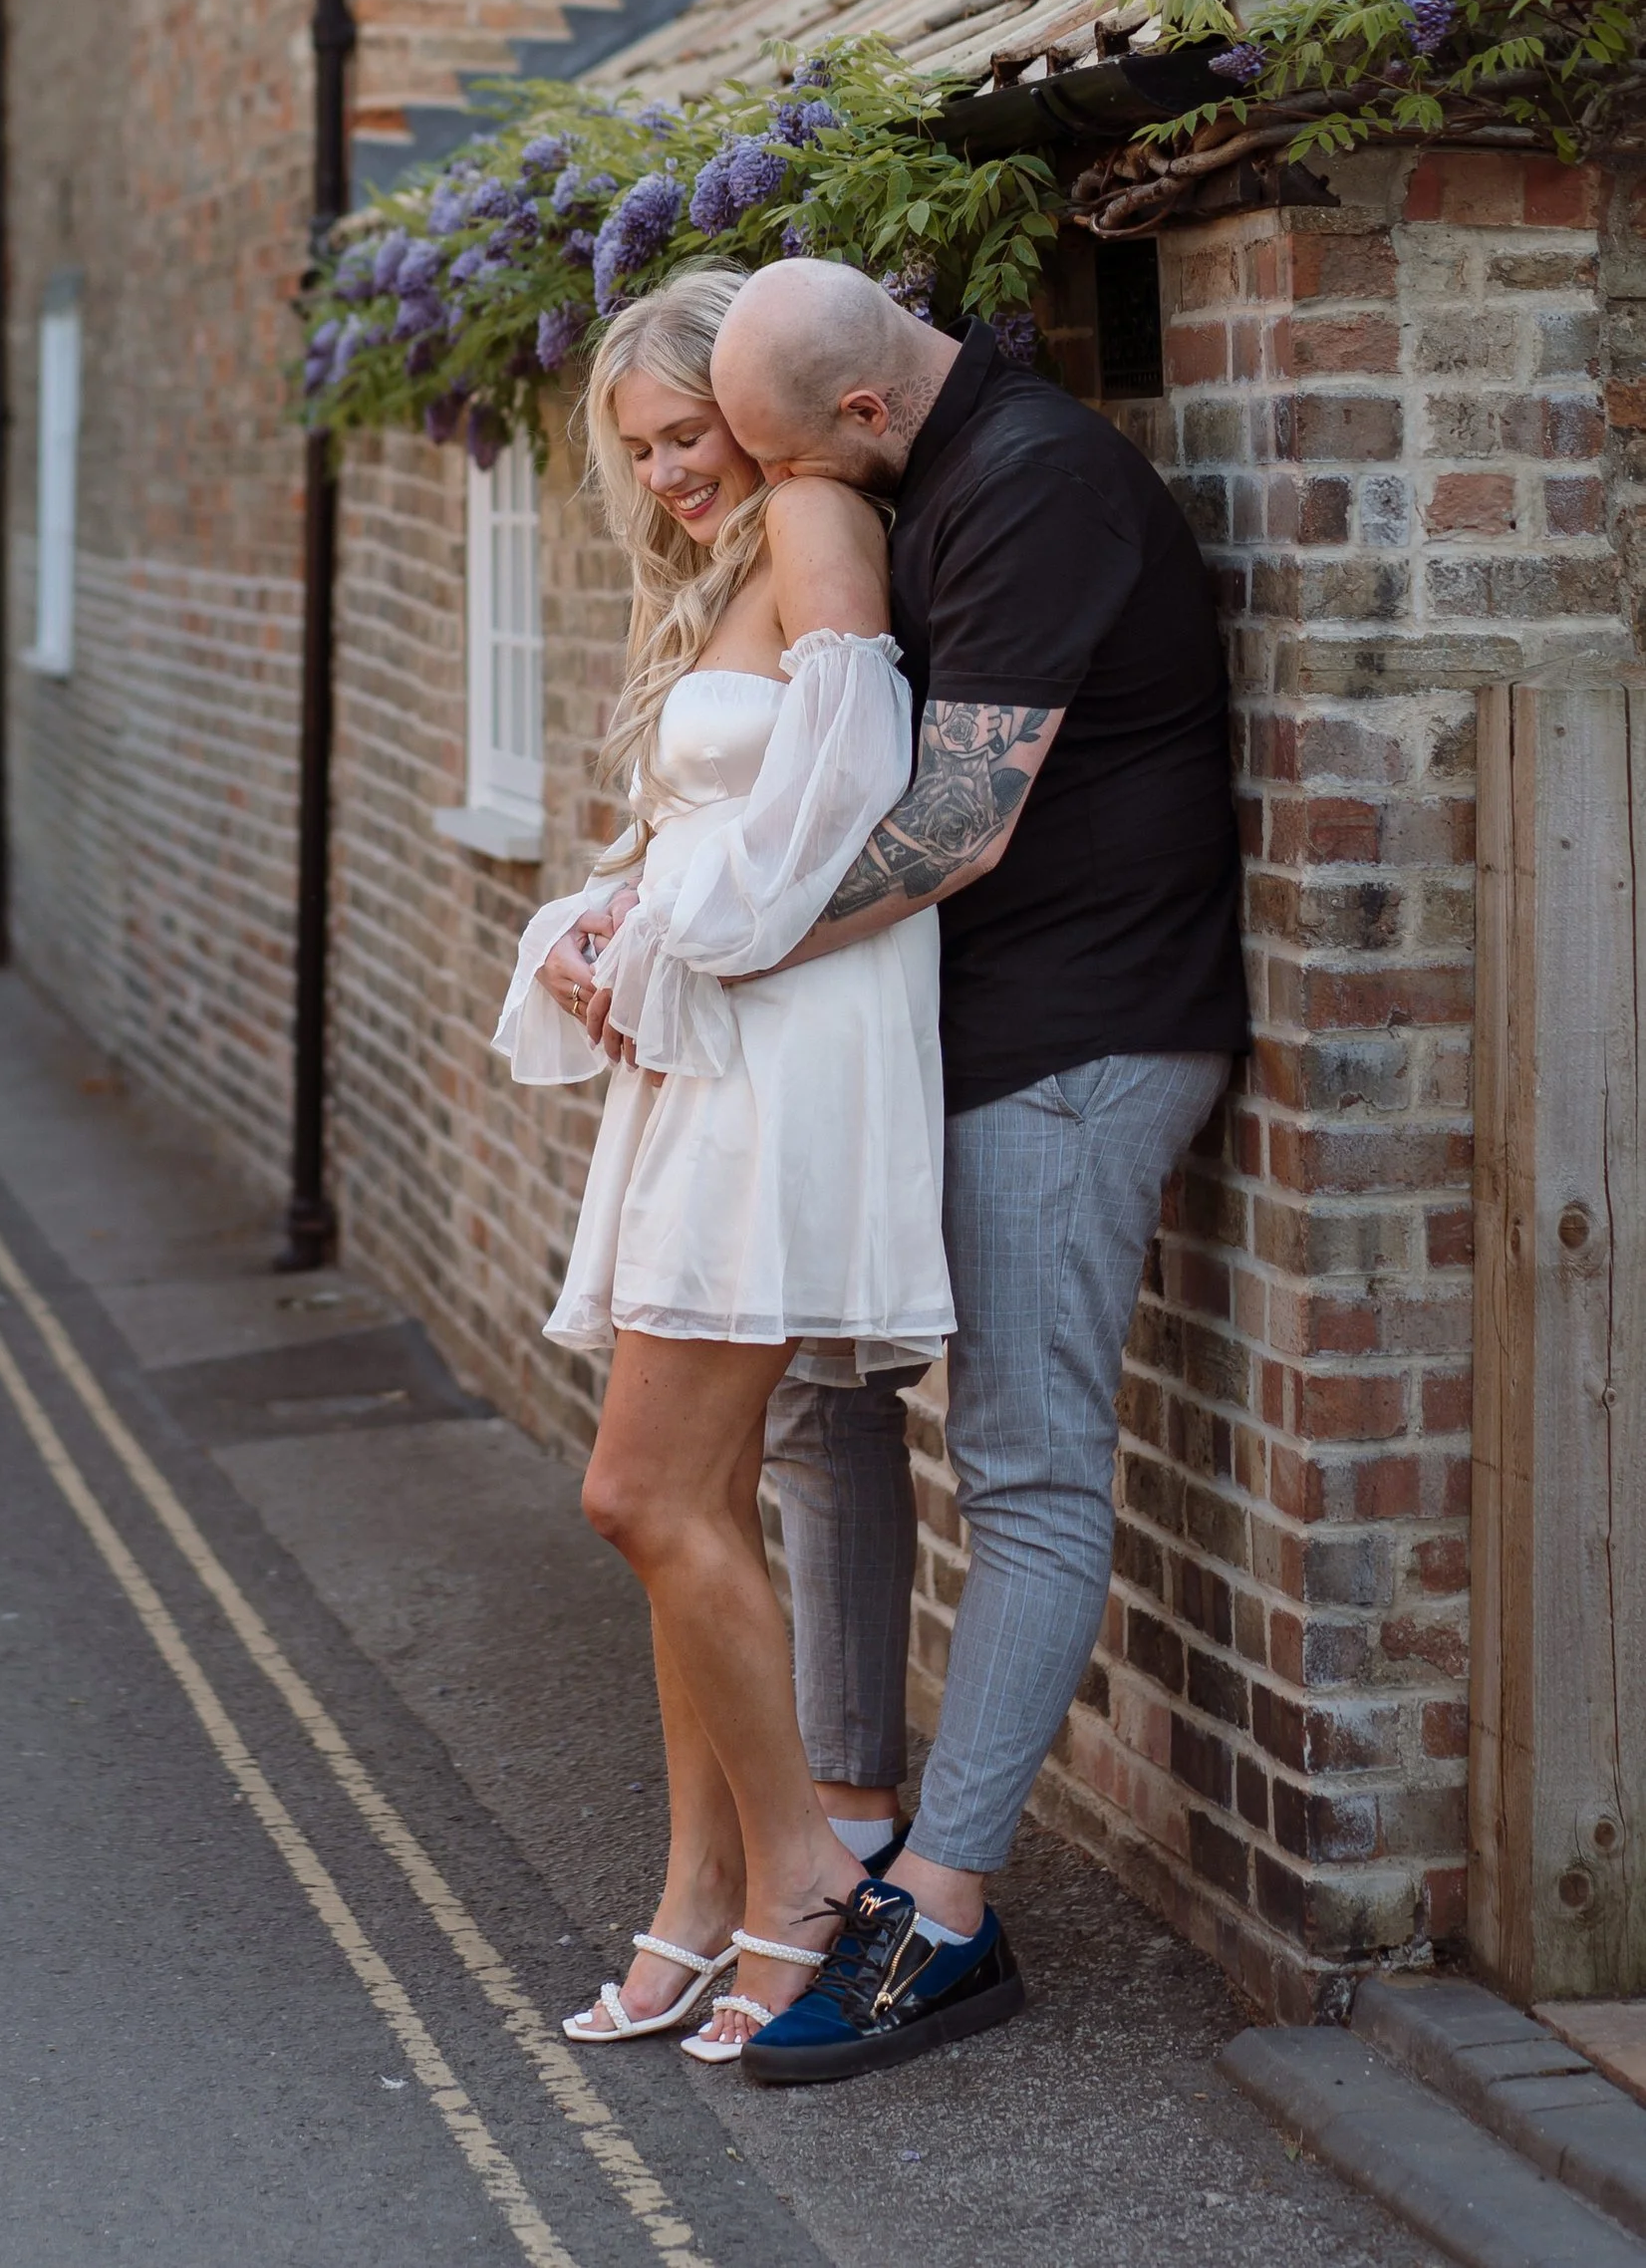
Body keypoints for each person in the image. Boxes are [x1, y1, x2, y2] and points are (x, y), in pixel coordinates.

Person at [645, 258, 1248, 2089]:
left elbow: (958, 823)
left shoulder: (1043, 486)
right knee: (834, 1418)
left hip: (1075, 1044)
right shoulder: (933, 462)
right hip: (950, 1043)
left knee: (1033, 1467)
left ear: (869, 409)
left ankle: (951, 1914)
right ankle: (851, 1826)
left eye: (770, 459)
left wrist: (716, 943)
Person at [498, 269, 955, 2064]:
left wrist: (670, 936)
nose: (674, 469)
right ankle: (701, 1891)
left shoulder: (821, 516)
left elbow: (853, 798)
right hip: (719, 1043)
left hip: (794, 1046)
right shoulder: (724, 561)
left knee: (644, 1494)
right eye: (643, 448)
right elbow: (713, 826)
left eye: (689, 427)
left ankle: (802, 1881)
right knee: (682, 1503)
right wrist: (614, 923)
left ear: (751, 401)